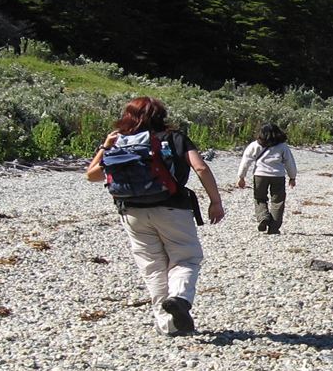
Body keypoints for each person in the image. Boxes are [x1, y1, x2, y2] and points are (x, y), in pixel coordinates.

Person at [86, 96, 224, 336]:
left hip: (131, 212)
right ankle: (179, 298)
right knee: (186, 258)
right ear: (162, 115)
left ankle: (168, 325)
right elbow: (200, 167)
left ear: (128, 116)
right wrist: (215, 201)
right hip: (173, 208)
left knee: (153, 267)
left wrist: (104, 146)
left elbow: (92, 175)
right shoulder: (175, 137)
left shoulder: (118, 142)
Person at [236, 123, 298, 235]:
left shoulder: (255, 145)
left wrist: (241, 177)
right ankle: (274, 228)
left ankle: (263, 217)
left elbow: (245, 161)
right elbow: (290, 163)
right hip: (278, 176)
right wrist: (292, 177)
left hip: (260, 175)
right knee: (278, 201)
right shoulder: (283, 146)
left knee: (259, 198)